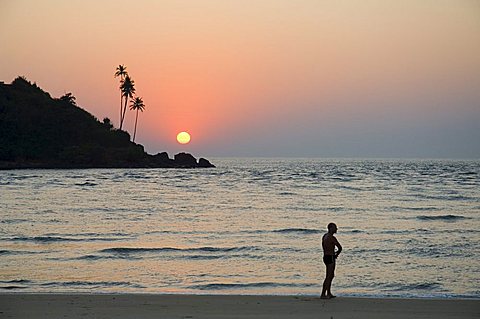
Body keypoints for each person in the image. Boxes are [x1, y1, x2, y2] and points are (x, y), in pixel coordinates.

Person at [321, 222, 342, 299]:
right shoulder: (332, 238)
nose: (336, 229)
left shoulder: (324, 236)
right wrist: (336, 254)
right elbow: (340, 248)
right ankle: (323, 294)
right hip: (330, 257)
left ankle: (328, 293)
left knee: (330, 275)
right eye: (335, 227)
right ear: (330, 228)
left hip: (325, 256)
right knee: (329, 276)